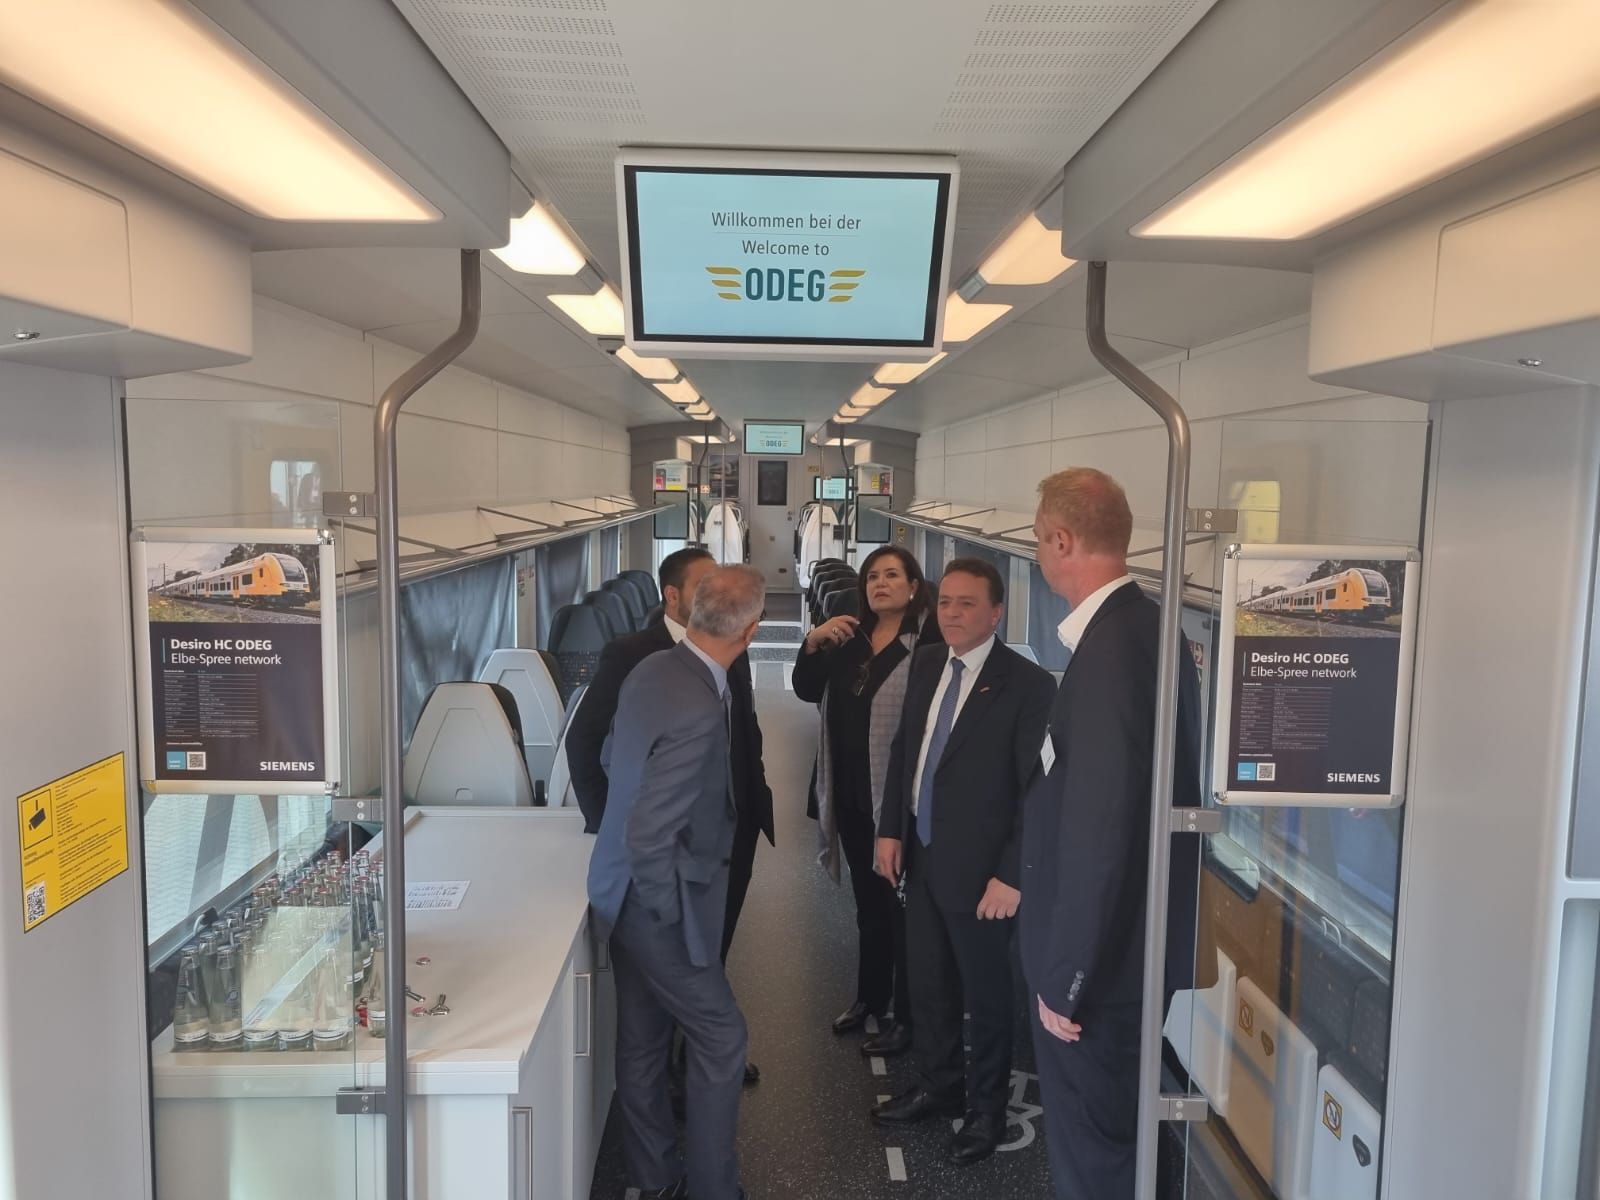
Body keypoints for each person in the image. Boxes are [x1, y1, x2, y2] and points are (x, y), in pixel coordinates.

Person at [1021, 468, 1202, 1199]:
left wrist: (1067, 977)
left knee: (1093, 1153)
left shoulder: (1109, 653)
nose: (1039, 552)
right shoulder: (1151, 627)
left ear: (1062, 541)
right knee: (1116, 1146)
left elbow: (1102, 832)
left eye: (1039, 538)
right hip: (1130, 956)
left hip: (1100, 973)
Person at [587, 565, 766, 1200]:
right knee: (722, 1035)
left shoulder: (651, 671)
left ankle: (655, 1178)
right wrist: (666, 916)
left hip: (616, 890)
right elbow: (650, 833)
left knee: (642, 1042)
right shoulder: (698, 706)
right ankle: (715, 1188)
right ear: (750, 631)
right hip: (657, 903)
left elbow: (609, 757)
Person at [870, 558, 1056, 1165]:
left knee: (988, 997)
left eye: (967, 603)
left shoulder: (1028, 685)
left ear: (996, 613)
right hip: (921, 854)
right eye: (945, 601)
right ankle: (939, 1083)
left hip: (983, 874)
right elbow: (907, 751)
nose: (951, 613)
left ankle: (986, 1111)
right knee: (928, 983)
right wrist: (890, 830)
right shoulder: (927, 662)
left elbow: (1035, 790)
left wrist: (1012, 874)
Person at [566, 547, 775, 968]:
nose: (716, 597)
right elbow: (584, 742)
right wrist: (609, 824)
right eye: (704, 587)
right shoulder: (631, 654)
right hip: (670, 843)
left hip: (733, 829)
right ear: (672, 595)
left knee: (715, 941)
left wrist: (751, 804)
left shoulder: (732, 640)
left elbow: (744, 729)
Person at [791, 545, 941, 1058]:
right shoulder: (848, 638)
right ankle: (869, 998)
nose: (880, 584)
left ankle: (907, 1016)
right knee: (869, 907)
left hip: (898, 801)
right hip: (851, 792)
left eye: (892, 575)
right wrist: (813, 643)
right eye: (873, 576)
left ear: (914, 587)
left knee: (902, 912)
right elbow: (806, 690)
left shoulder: (928, 646)